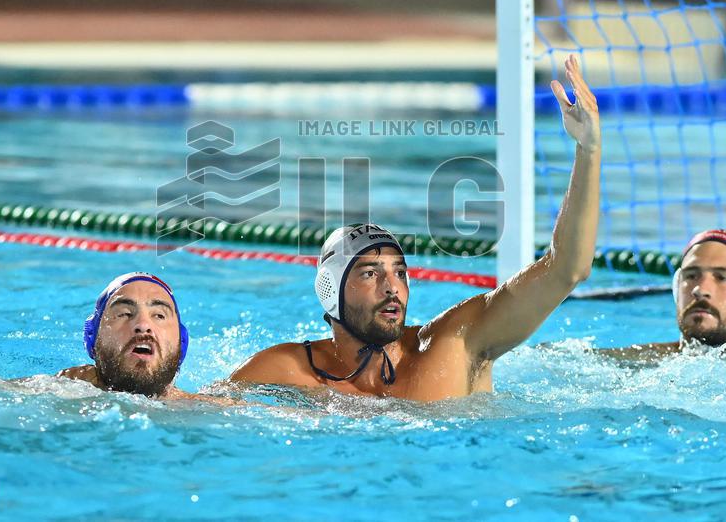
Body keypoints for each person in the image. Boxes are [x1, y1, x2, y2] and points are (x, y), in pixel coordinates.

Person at [230, 55, 601, 401]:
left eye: (400, 272)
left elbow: (567, 269)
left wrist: (588, 150)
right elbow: (208, 408)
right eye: (370, 273)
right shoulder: (289, 370)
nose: (392, 287)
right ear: (331, 291)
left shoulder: (455, 342)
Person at [605, 229, 726, 357]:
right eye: (691, 276)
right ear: (677, 287)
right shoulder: (627, 361)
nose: (700, 290)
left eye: (721, 277)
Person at [58, 271, 202, 400]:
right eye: (124, 314)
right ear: (92, 338)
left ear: (182, 343)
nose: (143, 325)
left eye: (159, 315)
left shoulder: (208, 409)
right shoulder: (60, 391)